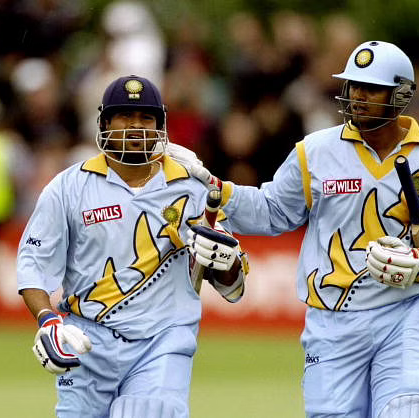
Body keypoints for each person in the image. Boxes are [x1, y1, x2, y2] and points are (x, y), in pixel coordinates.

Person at [179, 41, 419, 417]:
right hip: (333, 319)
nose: (357, 95)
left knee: (409, 409)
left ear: (400, 94)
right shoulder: (315, 152)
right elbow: (272, 211)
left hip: (408, 310)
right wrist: (216, 190)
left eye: (371, 88)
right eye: (353, 85)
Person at [17, 75, 247, 418]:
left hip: (163, 339)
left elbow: (232, 287)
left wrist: (225, 261)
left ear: (160, 127)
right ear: (104, 122)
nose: (135, 127)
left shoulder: (193, 188)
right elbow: (33, 265)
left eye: (146, 118)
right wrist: (48, 320)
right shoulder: (68, 187)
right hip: (86, 340)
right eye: (124, 116)